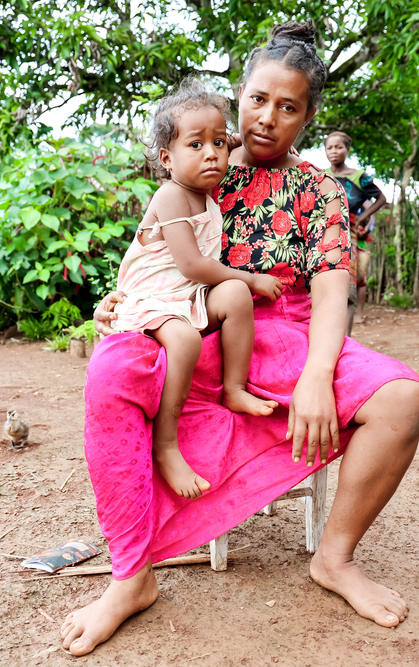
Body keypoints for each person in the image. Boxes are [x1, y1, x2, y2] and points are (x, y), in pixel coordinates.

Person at [62, 20, 419, 657]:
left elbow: (332, 292)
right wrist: (120, 297)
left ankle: (334, 558)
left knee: (402, 399)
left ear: (308, 117)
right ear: (239, 96)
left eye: (288, 107)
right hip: (191, 320)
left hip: (283, 330)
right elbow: (153, 250)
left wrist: (317, 374)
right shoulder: (199, 161)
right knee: (112, 372)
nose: (267, 118)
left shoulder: (320, 191)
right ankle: (131, 576)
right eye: (257, 100)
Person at [111, 78, 281, 499]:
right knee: (185, 340)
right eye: (196, 145)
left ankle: (235, 389)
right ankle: (166, 445)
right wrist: (253, 277)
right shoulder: (172, 194)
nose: (212, 153)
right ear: (167, 159)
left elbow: (225, 138)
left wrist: (236, 135)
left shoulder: (204, 188)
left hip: (184, 292)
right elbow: (194, 265)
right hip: (153, 295)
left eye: (219, 144)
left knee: (236, 298)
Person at [324, 132, 387, 331]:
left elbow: (381, 198)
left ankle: (347, 341)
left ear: (347, 150)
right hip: (321, 236)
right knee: (321, 289)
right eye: (329, 147)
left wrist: (361, 217)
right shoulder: (320, 174)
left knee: (348, 290)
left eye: (338, 147)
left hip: (347, 236)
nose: (334, 151)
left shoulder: (359, 177)